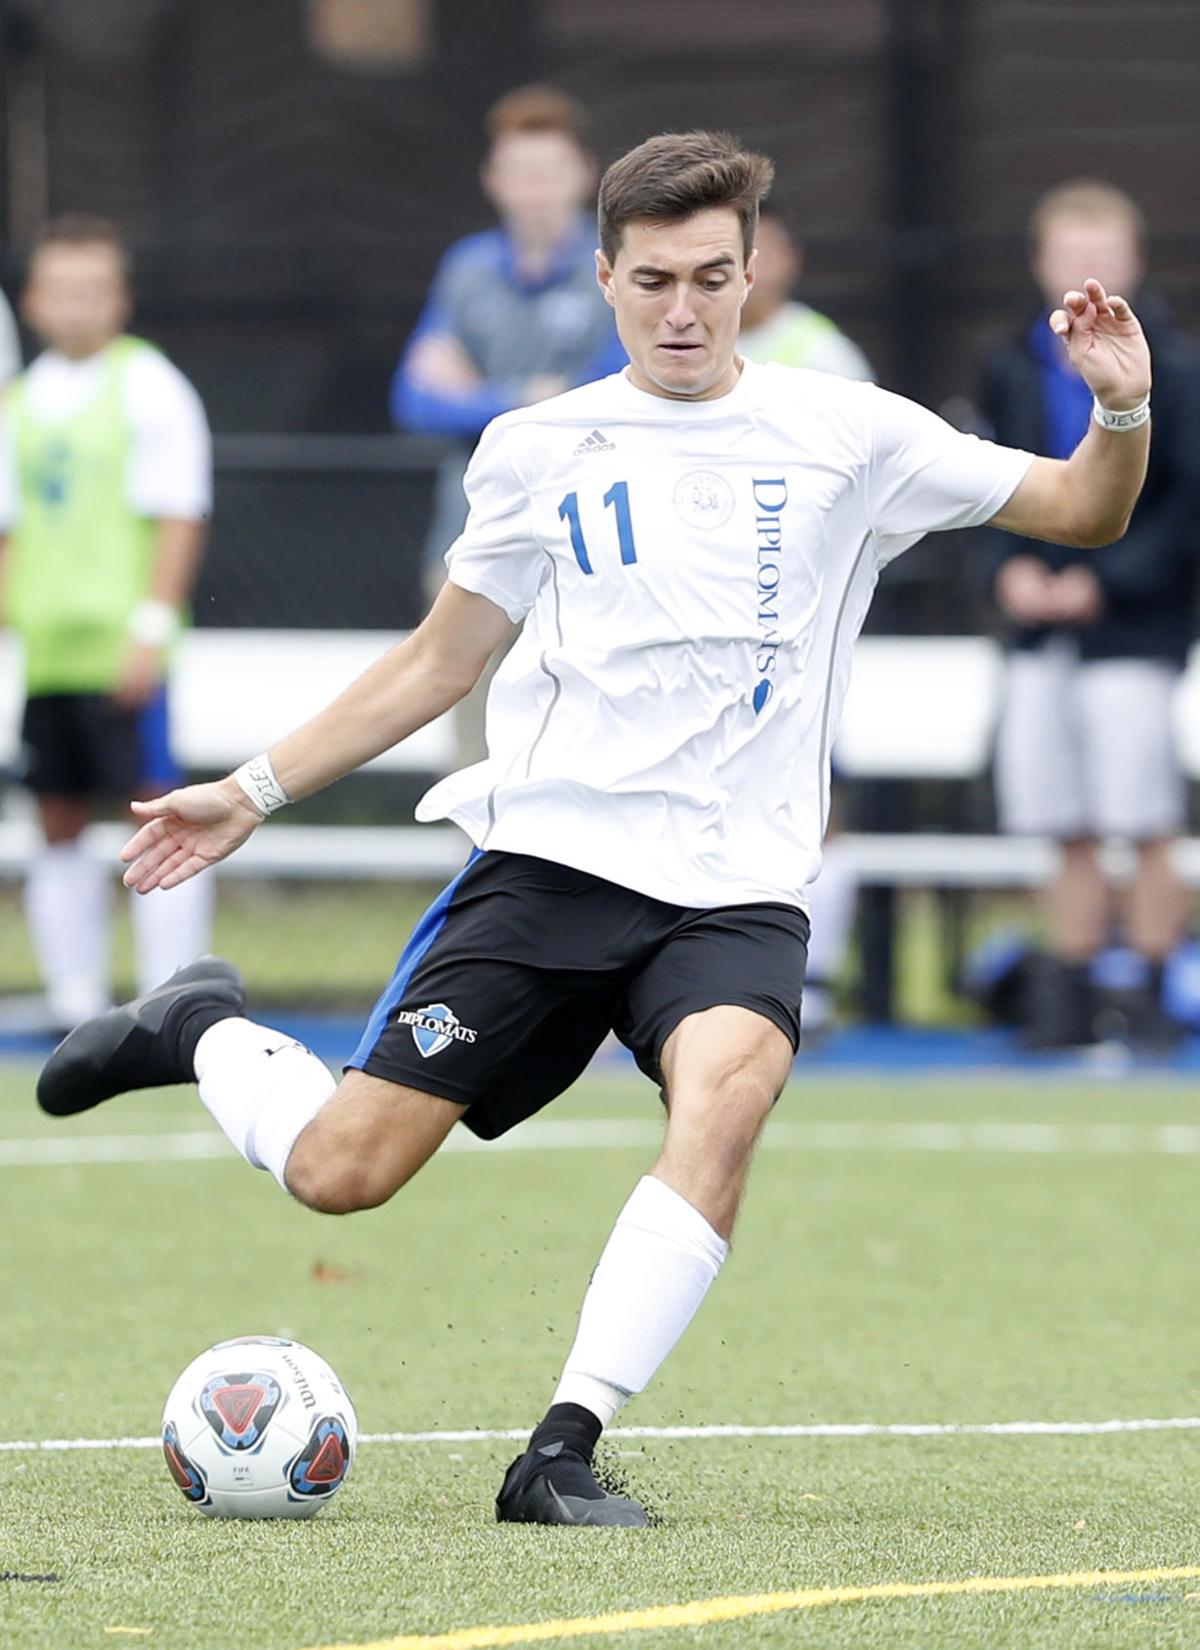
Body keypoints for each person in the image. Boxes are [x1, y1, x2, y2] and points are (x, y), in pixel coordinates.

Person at [39, 133, 1150, 1526]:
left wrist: (1119, 411)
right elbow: (439, 663)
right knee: (342, 1172)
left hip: (736, 889)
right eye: (654, 282)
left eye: (713, 278)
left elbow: (1084, 510)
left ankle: (559, 1447)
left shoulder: (853, 431)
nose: (684, 310)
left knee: (730, 1093)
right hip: (552, 870)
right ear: (608, 283)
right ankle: (195, 1022)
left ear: (752, 271)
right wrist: (249, 791)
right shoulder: (538, 448)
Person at [982, 182, 1200, 1050]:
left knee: (1138, 812)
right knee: (1059, 814)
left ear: (1134, 266)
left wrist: (1107, 583)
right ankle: (1068, 990)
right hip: (1041, 630)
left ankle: (1148, 989)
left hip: (1133, 632)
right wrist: (1011, 572)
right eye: (1070, 258)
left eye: (1101, 258)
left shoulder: (1175, 368)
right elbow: (985, 476)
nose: (1085, 274)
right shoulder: (1009, 363)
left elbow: (1183, 504)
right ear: (1041, 266)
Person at [0, 215, 213, 1030]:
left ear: (120, 300)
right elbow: (13, 530)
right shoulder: (21, 402)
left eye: (94, 289)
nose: (77, 305)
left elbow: (179, 513)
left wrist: (150, 628)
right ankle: (74, 999)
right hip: (49, 652)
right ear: (34, 301)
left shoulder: (148, 384)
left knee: (155, 811)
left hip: (123, 647)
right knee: (55, 817)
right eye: (62, 289)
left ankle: (169, 995)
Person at [392, 82, 626, 591]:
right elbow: (414, 404)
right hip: (469, 540)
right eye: (519, 174)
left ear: (585, 174)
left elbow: (612, 404)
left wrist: (475, 394)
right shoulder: (465, 269)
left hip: (586, 547)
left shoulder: (619, 267)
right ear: (492, 179)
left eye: (548, 173)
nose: (534, 190)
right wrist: (529, 397)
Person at [739, 209, 873, 1034]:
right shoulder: (663, 350)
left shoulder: (821, 353)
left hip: (795, 626)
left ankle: (811, 980)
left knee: (816, 793)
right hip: (692, 627)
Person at [737, 209, 872, 381]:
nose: (751, 271)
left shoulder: (825, 353)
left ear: (791, 259)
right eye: (740, 256)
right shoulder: (702, 341)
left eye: (763, 256)